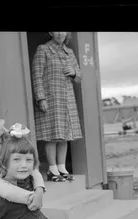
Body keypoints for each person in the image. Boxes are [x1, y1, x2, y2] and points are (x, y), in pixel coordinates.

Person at [32, 32, 82, 182]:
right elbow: (36, 75)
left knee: (65, 136)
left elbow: (79, 76)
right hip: (51, 98)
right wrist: (41, 98)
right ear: (50, 32)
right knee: (52, 136)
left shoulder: (69, 52)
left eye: (63, 30)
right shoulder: (43, 49)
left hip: (67, 99)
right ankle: (52, 170)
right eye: (57, 30)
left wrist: (73, 73)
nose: (60, 33)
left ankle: (62, 168)